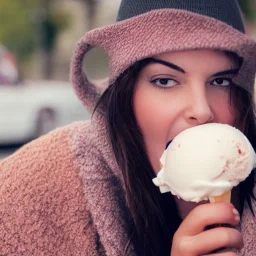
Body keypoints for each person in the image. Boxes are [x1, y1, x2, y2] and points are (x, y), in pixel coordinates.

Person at [0, 0, 256, 255]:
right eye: (165, 81)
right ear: (126, 95)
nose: (201, 110)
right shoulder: (30, 192)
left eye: (221, 80)